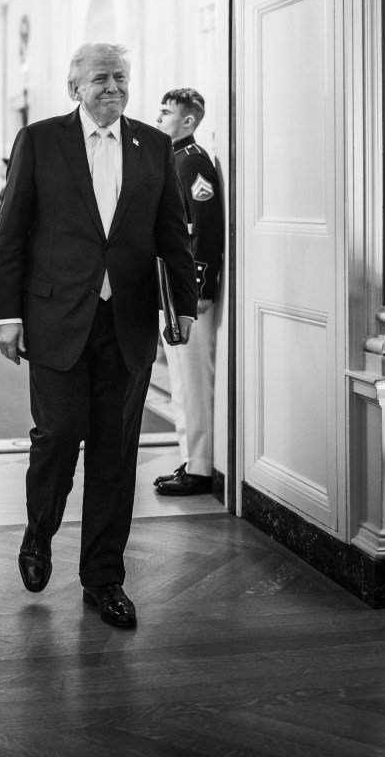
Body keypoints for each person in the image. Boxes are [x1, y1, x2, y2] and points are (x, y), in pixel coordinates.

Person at [0, 42, 198, 629]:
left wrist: (182, 303)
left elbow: (172, 234)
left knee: (115, 452)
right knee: (58, 437)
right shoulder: (41, 140)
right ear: (75, 86)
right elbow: (13, 231)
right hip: (56, 318)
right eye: (101, 78)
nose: (113, 87)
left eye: (122, 78)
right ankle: (39, 533)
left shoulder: (153, 146)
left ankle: (104, 577)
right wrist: (6, 313)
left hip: (126, 322)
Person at [153, 88, 223, 496]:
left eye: (167, 113)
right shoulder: (173, 159)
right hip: (171, 283)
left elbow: (206, 230)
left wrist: (198, 288)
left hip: (188, 291)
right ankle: (190, 456)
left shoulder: (193, 162)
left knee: (193, 376)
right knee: (180, 375)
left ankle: (200, 467)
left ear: (189, 120)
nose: (159, 118)